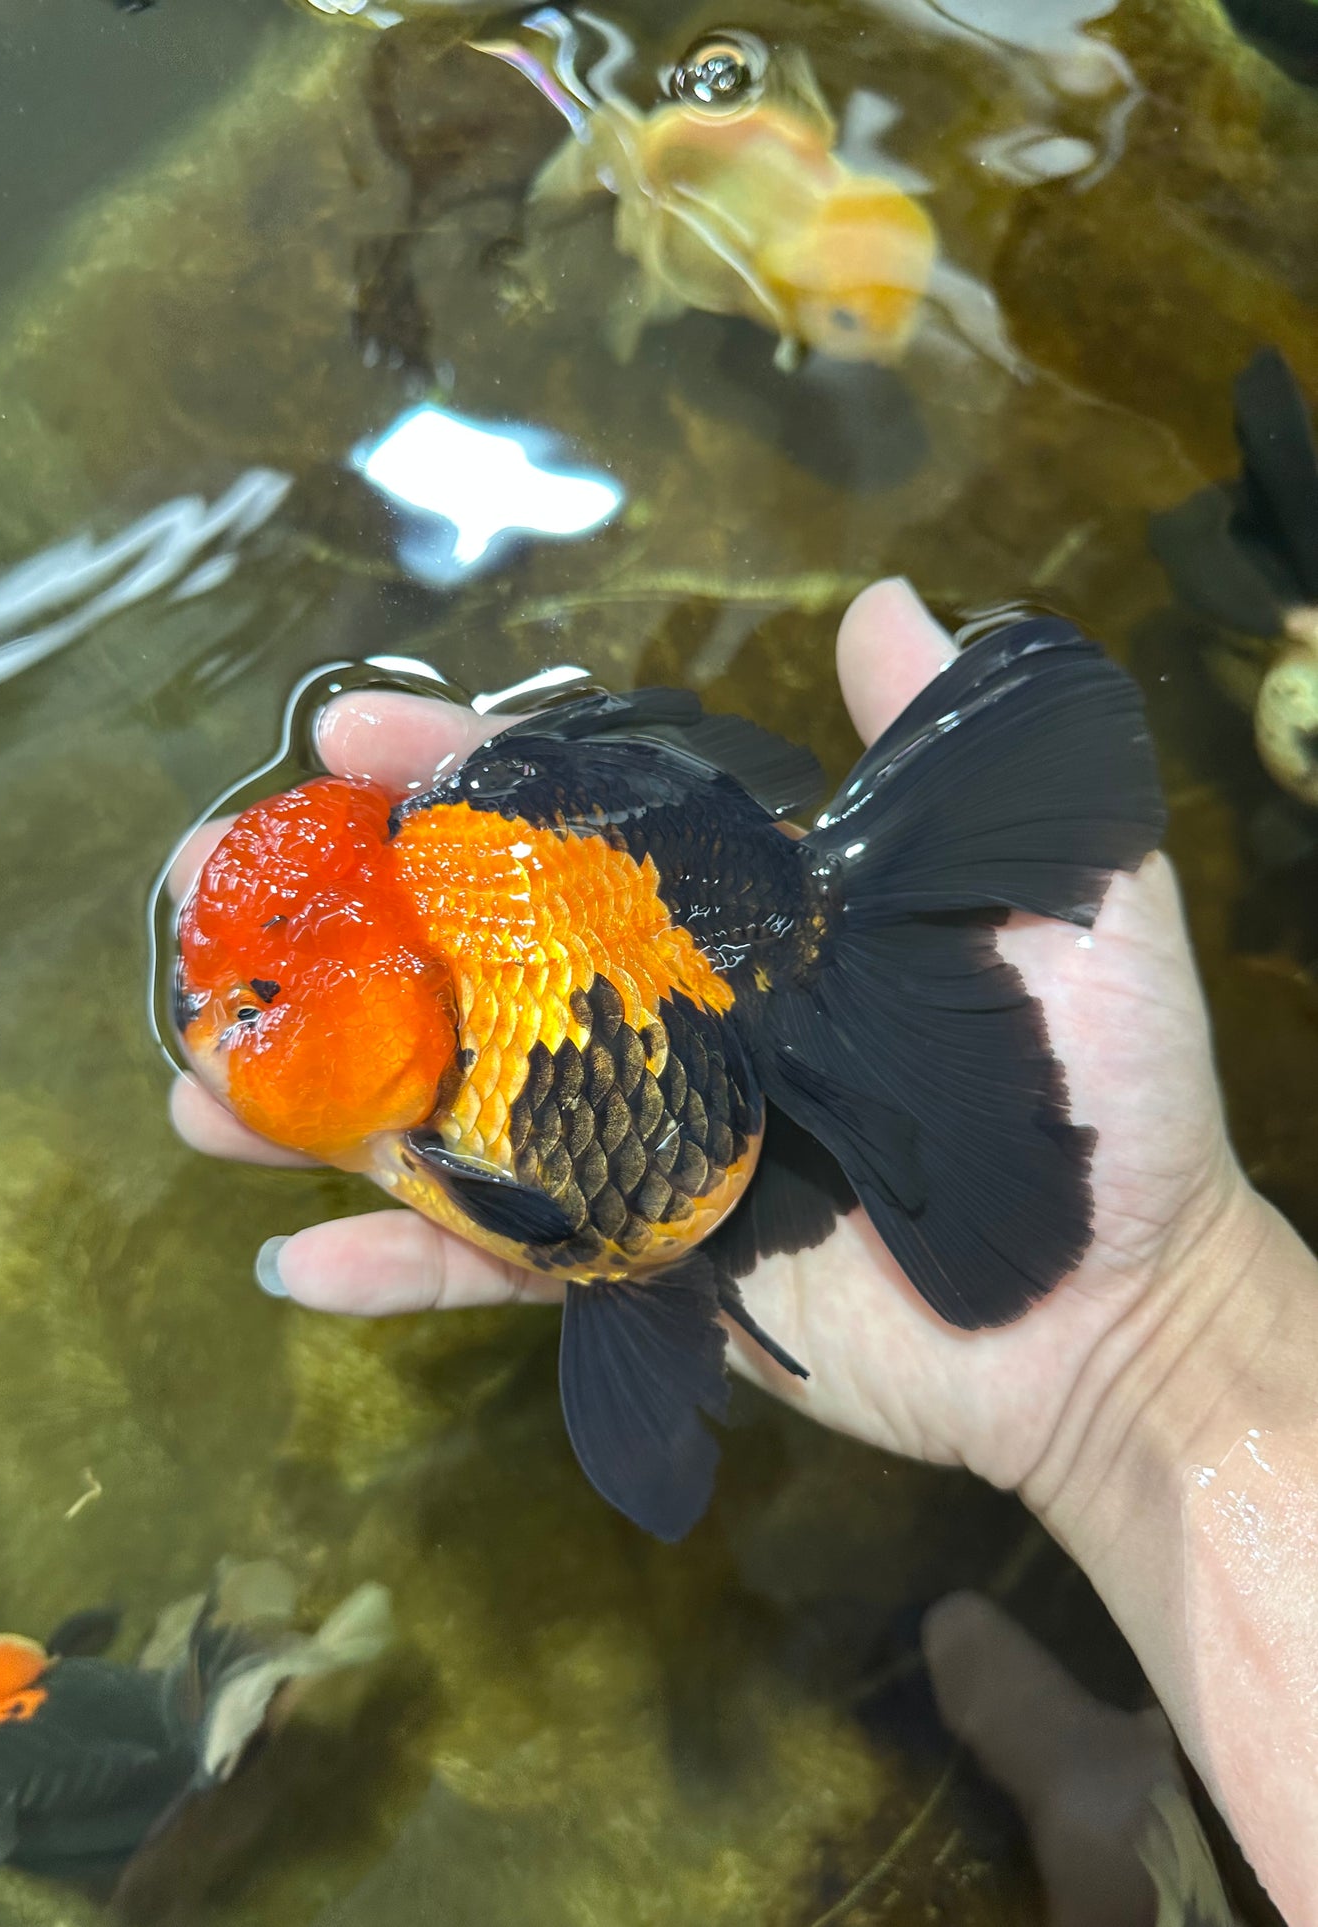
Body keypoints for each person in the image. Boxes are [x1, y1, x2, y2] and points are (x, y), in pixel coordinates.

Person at [167, 578, 1318, 1923]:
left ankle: (1073, 1774)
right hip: (675, 1061)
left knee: (602, 1247)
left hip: (681, 1014)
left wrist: (1157, 1322)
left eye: (246, 1004)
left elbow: (561, 1224)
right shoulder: (421, 1065)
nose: (210, 1025)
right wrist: (1156, 1350)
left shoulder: (457, 1058)